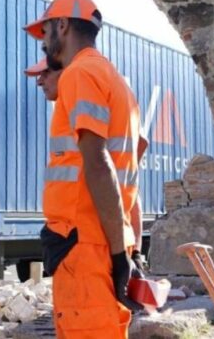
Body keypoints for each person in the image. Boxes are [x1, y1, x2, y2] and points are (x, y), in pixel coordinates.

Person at [24, 0, 142, 338]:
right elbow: (131, 167)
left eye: (45, 32)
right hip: (100, 241)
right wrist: (124, 248)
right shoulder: (115, 80)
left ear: (62, 25)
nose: (44, 43)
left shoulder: (80, 73)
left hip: (84, 244)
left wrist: (120, 254)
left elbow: (98, 162)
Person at [25, 57, 148, 258]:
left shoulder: (88, 90)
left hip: (87, 241)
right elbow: (128, 188)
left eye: (46, 73)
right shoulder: (110, 91)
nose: (40, 81)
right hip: (99, 238)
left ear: (68, 71)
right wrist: (134, 250)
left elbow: (117, 182)